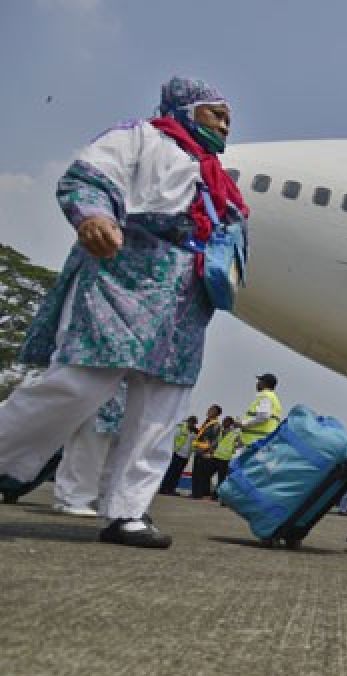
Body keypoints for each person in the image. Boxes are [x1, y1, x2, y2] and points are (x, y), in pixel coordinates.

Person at [0, 77, 247, 549]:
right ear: (184, 108)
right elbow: (87, 178)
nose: (225, 125)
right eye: (215, 113)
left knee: (161, 405)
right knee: (79, 384)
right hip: (127, 271)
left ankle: (128, 511)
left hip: (186, 300)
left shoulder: (215, 174)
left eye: (229, 118)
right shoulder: (140, 136)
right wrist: (93, 216)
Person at [53, 388, 125, 516]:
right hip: (105, 386)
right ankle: (73, 497)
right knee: (90, 444)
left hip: (125, 391)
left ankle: (99, 498)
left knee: (115, 448)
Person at [189, 404, 223, 499]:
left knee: (200, 474)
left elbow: (215, 440)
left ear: (217, 414)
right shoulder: (207, 422)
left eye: (212, 410)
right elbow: (202, 435)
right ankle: (195, 493)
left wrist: (208, 450)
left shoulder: (215, 424)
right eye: (209, 409)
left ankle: (197, 494)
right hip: (199, 450)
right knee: (196, 473)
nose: (209, 410)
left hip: (205, 452)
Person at [159, 416, 198, 496]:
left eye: (194, 423)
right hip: (177, 453)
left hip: (186, 456)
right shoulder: (180, 428)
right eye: (191, 422)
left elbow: (194, 445)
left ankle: (171, 489)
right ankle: (163, 489)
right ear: (188, 421)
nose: (192, 424)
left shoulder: (194, 432)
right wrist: (172, 450)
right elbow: (173, 439)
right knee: (171, 472)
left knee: (178, 474)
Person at [239, 373, 281, 445]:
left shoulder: (265, 396)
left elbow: (263, 417)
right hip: (263, 441)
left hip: (255, 442)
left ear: (264, 383)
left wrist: (242, 423)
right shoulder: (274, 398)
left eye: (259, 381)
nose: (257, 383)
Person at [209, 416, 241, 497]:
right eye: (223, 421)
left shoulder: (235, 433)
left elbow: (240, 444)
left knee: (221, 479)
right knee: (207, 474)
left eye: (226, 421)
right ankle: (210, 492)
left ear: (230, 423)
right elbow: (217, 441)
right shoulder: (221, 431)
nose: (223, 422)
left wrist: (234, 449)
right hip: (216, 456)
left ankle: (217, 495)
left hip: (225, 458)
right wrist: (211, 448)